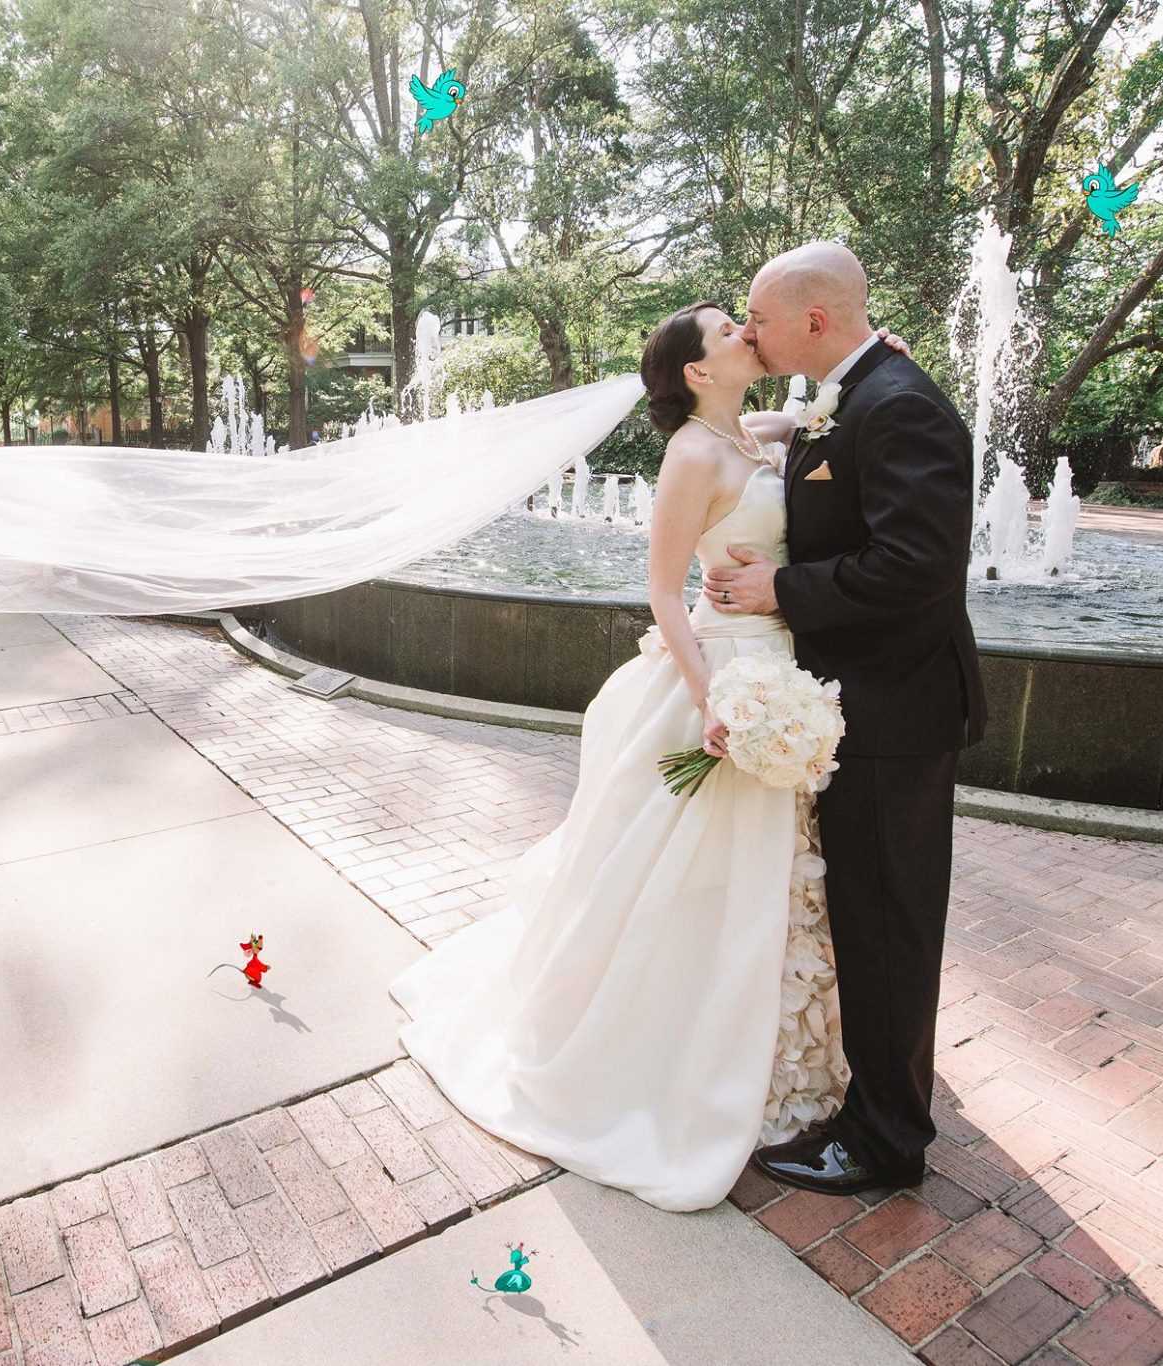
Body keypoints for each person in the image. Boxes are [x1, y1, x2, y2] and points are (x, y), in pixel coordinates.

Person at [387, 300, 913, 1212]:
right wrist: (718, 703)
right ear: (698, 371)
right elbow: (665, 595)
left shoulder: (752, 431)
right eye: (727, 331)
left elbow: (814, 415)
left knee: (773, 878)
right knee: (689, 875)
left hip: (782, 668)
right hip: (720, 680)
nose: (748, 332)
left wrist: (875, 360)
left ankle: (765, 1047)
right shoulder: (691, 455)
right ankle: (671, 1058)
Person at [704, 241, 987, 1195]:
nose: (751, 332)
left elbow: (916, 569)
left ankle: (884, 1143)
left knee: (889, 924)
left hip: (896, 711)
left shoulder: (899, 404)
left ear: (815, 322)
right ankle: (884, 1098)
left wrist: (779, 587)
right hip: (859, 703)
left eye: (763, 319)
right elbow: (837, 476)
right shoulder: (856, 390)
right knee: (868, 915)